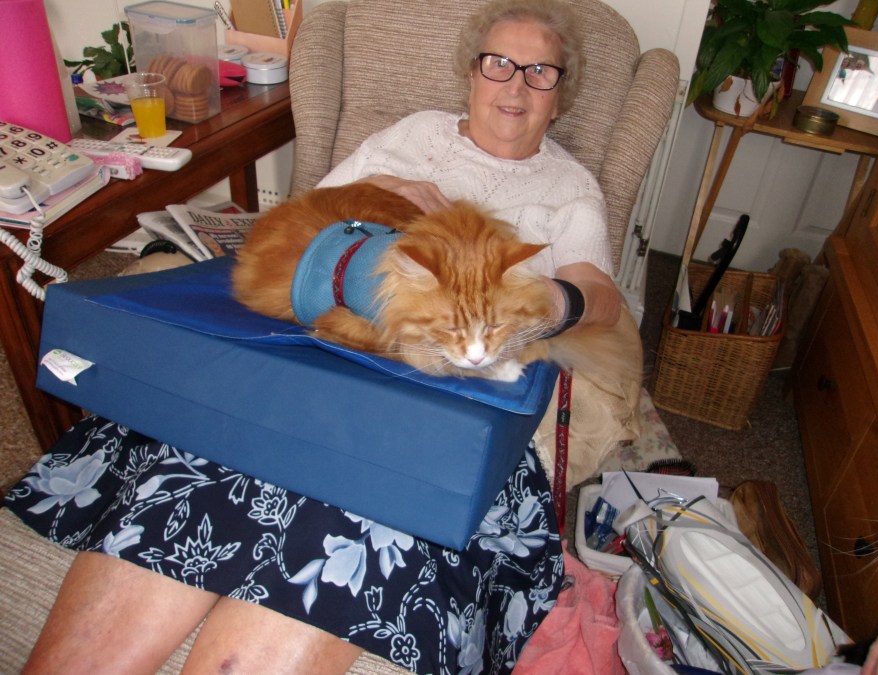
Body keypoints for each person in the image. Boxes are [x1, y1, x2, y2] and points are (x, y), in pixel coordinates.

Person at [5, 0, 629, 672]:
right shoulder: (413, 134)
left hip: (437, 402)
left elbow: (601, 298)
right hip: (317, 358)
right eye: (499, 64)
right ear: (472, 73)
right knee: (214, 466)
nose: (516, 85)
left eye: (540, 72)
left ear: (560, 95)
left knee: (349, 519)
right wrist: (383, 185)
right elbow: (303, 219)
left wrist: (545, 301)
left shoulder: (569, 188)